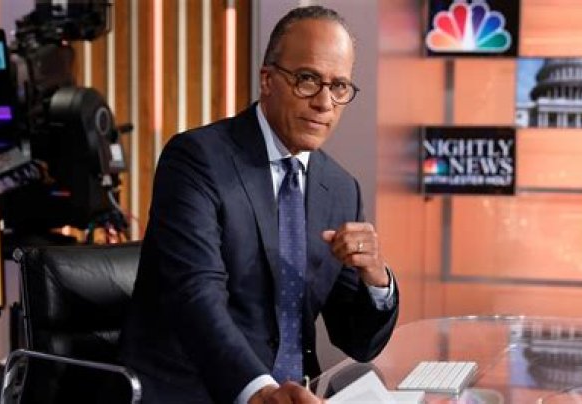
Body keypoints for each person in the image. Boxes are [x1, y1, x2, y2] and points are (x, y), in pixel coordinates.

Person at [120, 5, 399, 404]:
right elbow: (195, 295)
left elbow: (358, 340)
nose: (324, 102)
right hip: (200, 392)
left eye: (339, 86)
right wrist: (259, 391)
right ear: (267, 80)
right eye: (308, 80)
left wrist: (376, 279)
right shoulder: (197, 159)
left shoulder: (340, 189)